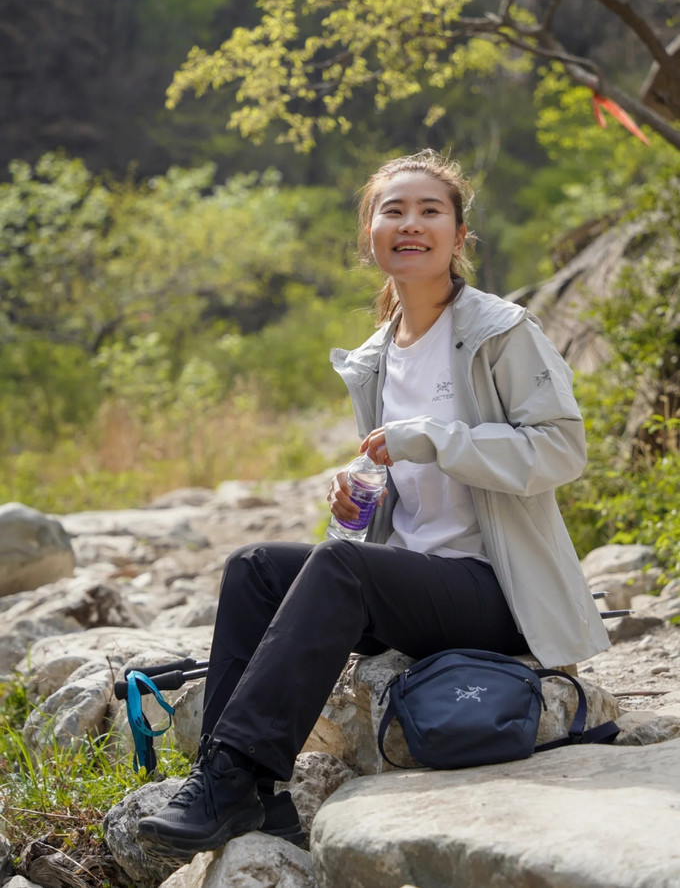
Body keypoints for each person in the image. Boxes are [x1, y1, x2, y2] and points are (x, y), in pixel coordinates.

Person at [137, 149, 610, 859]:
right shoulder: (379, 354)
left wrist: (435, 439)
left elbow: (561, 450)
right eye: (393, 211)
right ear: (369, 234)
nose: (410, 224)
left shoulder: (499, 330)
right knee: (254, 566)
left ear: (458, 236)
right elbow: (403, 478)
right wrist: (361, 489)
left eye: (430, 211)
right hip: (413, 582)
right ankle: (254, 797)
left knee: (340, 569)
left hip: (498, 592)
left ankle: (230, 777)